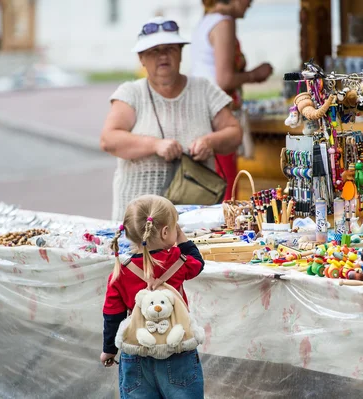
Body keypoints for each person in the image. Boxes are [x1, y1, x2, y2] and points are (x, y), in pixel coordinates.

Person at [100, 17, 242, 220]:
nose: (163, 56)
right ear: (141, 58)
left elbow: (235, 133)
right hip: (139, 218)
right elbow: (108, 140)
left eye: (170, 49)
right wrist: (155, 145)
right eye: (154, 51)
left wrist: (209, 141)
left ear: (181, 53)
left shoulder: (204, 89)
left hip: (194, 218)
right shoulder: (131, 93)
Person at [100, 194, 205, 398]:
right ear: (166, 232)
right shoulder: (178, 260)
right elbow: (198, 263)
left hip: (137, 351)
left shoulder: (120, 272)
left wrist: (109, 350)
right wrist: (181, 236)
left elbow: (112, 316)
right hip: (177, 349)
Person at [191, 0, 273, 200]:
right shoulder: (223, 24)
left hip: (205, 110)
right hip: (217, 114)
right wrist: (255, 74)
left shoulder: (208, 19)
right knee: (226, 187)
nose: (250, 4)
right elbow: (224, 79)